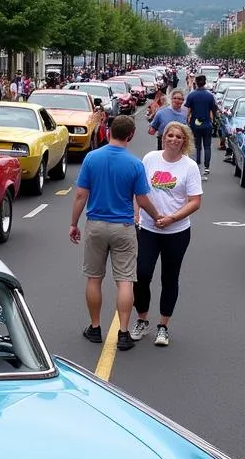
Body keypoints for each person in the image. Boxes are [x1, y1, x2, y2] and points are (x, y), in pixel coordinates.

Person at [69, 115, 163, 352]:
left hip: (96, 225)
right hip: (123, 227)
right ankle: (123, 332)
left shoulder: (92, 158)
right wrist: (157, 217)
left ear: (109, 131)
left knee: (94, 278)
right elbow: (142, 199)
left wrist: (74, 223)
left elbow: (81, 195)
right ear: (130, 135)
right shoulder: (134, 164)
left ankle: (95, 327)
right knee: (125, 281)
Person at [130, 122, 203, 347]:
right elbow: (138, 190)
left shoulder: (189, 167)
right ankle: (142, 319)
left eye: (178, 137)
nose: (173, 139)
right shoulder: (150, 158)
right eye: (169, 135)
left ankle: (163, 326)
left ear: (184, 141)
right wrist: (136, 214)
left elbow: (195, 202)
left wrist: (172, 218)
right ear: (164, 138)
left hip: (177, 231)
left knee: (169, 278)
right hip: (148, 229)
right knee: (141, 274)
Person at [184, 74, 216, 175]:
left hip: (195, 124)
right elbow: (212, 111)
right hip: (207, 124)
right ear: (205, 82)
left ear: (196, 83)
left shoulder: (192, 95)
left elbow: (188, 110)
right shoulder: (210, 96)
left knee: (197, 146)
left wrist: (186, 120)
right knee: (207, 146)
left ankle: (197, 164)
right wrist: (212, 121)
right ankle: (207, 167)